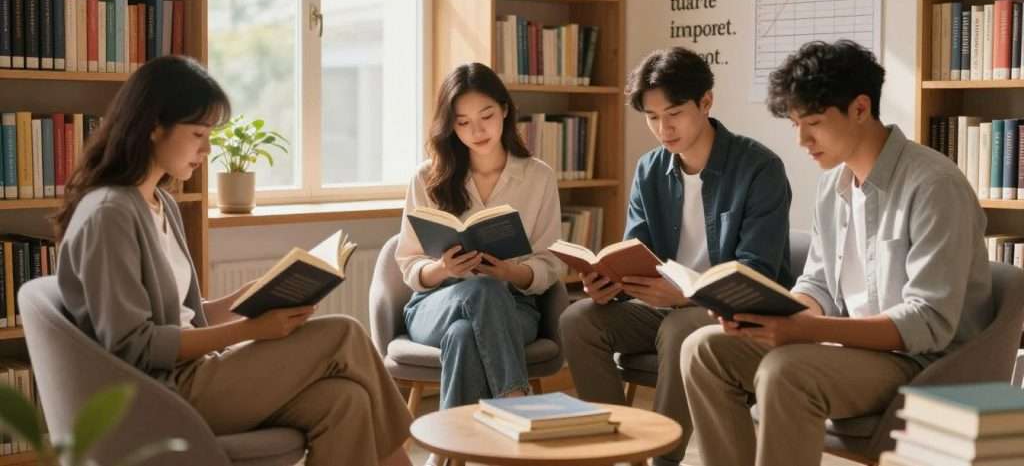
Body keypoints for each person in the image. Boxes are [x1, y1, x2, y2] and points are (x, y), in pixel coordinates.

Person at [55, 56, 413, 466]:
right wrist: (250, 330)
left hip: (194, 374)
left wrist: (247, 298)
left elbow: (181, 317)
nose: (207, 149)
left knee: (344, 401)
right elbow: (133, 344)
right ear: (154, 126)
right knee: (343, 334)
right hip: (160, 395)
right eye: (197, 134)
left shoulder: (161, 203)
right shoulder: (109, 214)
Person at [681, 40, 994, 466]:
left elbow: (928, 323)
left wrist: (806, 331)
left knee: (786, 372)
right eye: (795, 124)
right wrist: (776, 312)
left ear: (861, 109)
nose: (802, 140)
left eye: (812, 123)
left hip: (922, 364)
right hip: (853, 349)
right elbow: (818, 284)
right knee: (703, 348)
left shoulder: (934, 186)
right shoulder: (834, 185)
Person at [559, 46, 793, 466]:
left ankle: (661, 460)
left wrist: (686, 296)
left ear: (706, 102)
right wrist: (607, 284)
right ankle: (614, 454)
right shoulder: (650, 169)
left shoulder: (760, 168)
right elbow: (634, 253)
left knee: (683, 325)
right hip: (660, 308)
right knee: (578, 320)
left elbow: (755, 273)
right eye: (651, 117)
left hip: (727, 315)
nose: (663, 129)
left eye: (674, 113)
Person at [395, 62, 563, 415]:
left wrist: (511, 274)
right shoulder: (428, 177)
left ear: (504, 109)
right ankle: (516, 407)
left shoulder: (538, 176)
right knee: (479, 291)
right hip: (434, 305)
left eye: (486, 115)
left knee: (464, 336)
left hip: (515, 306)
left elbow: (551, 261)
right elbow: (409, 264)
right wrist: (441, 269)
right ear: (450, 124)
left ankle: (446, 451)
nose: (477, 130)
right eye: (462, 121)